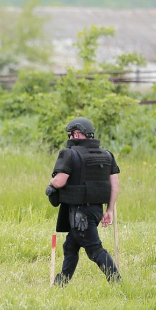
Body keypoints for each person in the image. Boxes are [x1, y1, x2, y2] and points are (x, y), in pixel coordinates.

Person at [45, 117, 121, 285]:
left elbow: (59, 181)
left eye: (70, 135)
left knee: (94, 250)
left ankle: (116, 282)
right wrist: (109, 210)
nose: (69, 139)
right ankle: (61, 283)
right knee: (70, 246)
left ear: (77, 134)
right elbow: (115, 184)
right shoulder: (107, 155)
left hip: (79, 214)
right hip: (95, 211)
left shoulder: (69, 154)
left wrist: (51, 183)